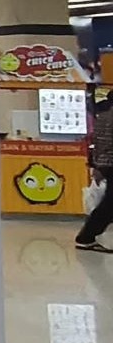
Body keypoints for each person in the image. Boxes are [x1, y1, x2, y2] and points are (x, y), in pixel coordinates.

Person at [74, 91, 113, 252]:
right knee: (109, 205)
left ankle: (87, 236)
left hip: (104, 164)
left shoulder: (102, 117)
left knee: (109, 203)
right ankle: (86, 237)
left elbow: (95, 143)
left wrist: (95, 165)